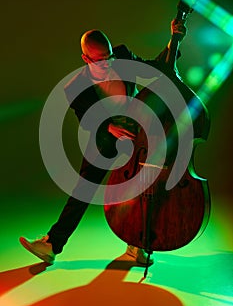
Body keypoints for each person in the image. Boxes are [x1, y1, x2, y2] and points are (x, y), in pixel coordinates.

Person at [19, 19, 186, 266]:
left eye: (109, 56)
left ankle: (137, 246)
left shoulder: (122, 56)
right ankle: (52, 245)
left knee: (141, 191)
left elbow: (156, 69)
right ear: (86, 59)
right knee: (82, 192)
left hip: (137, 134)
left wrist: (174, 39)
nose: (108, 63)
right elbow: (86, 118)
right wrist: (108, 125)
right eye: (100, 60)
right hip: (105, 138)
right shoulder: (74, 87)